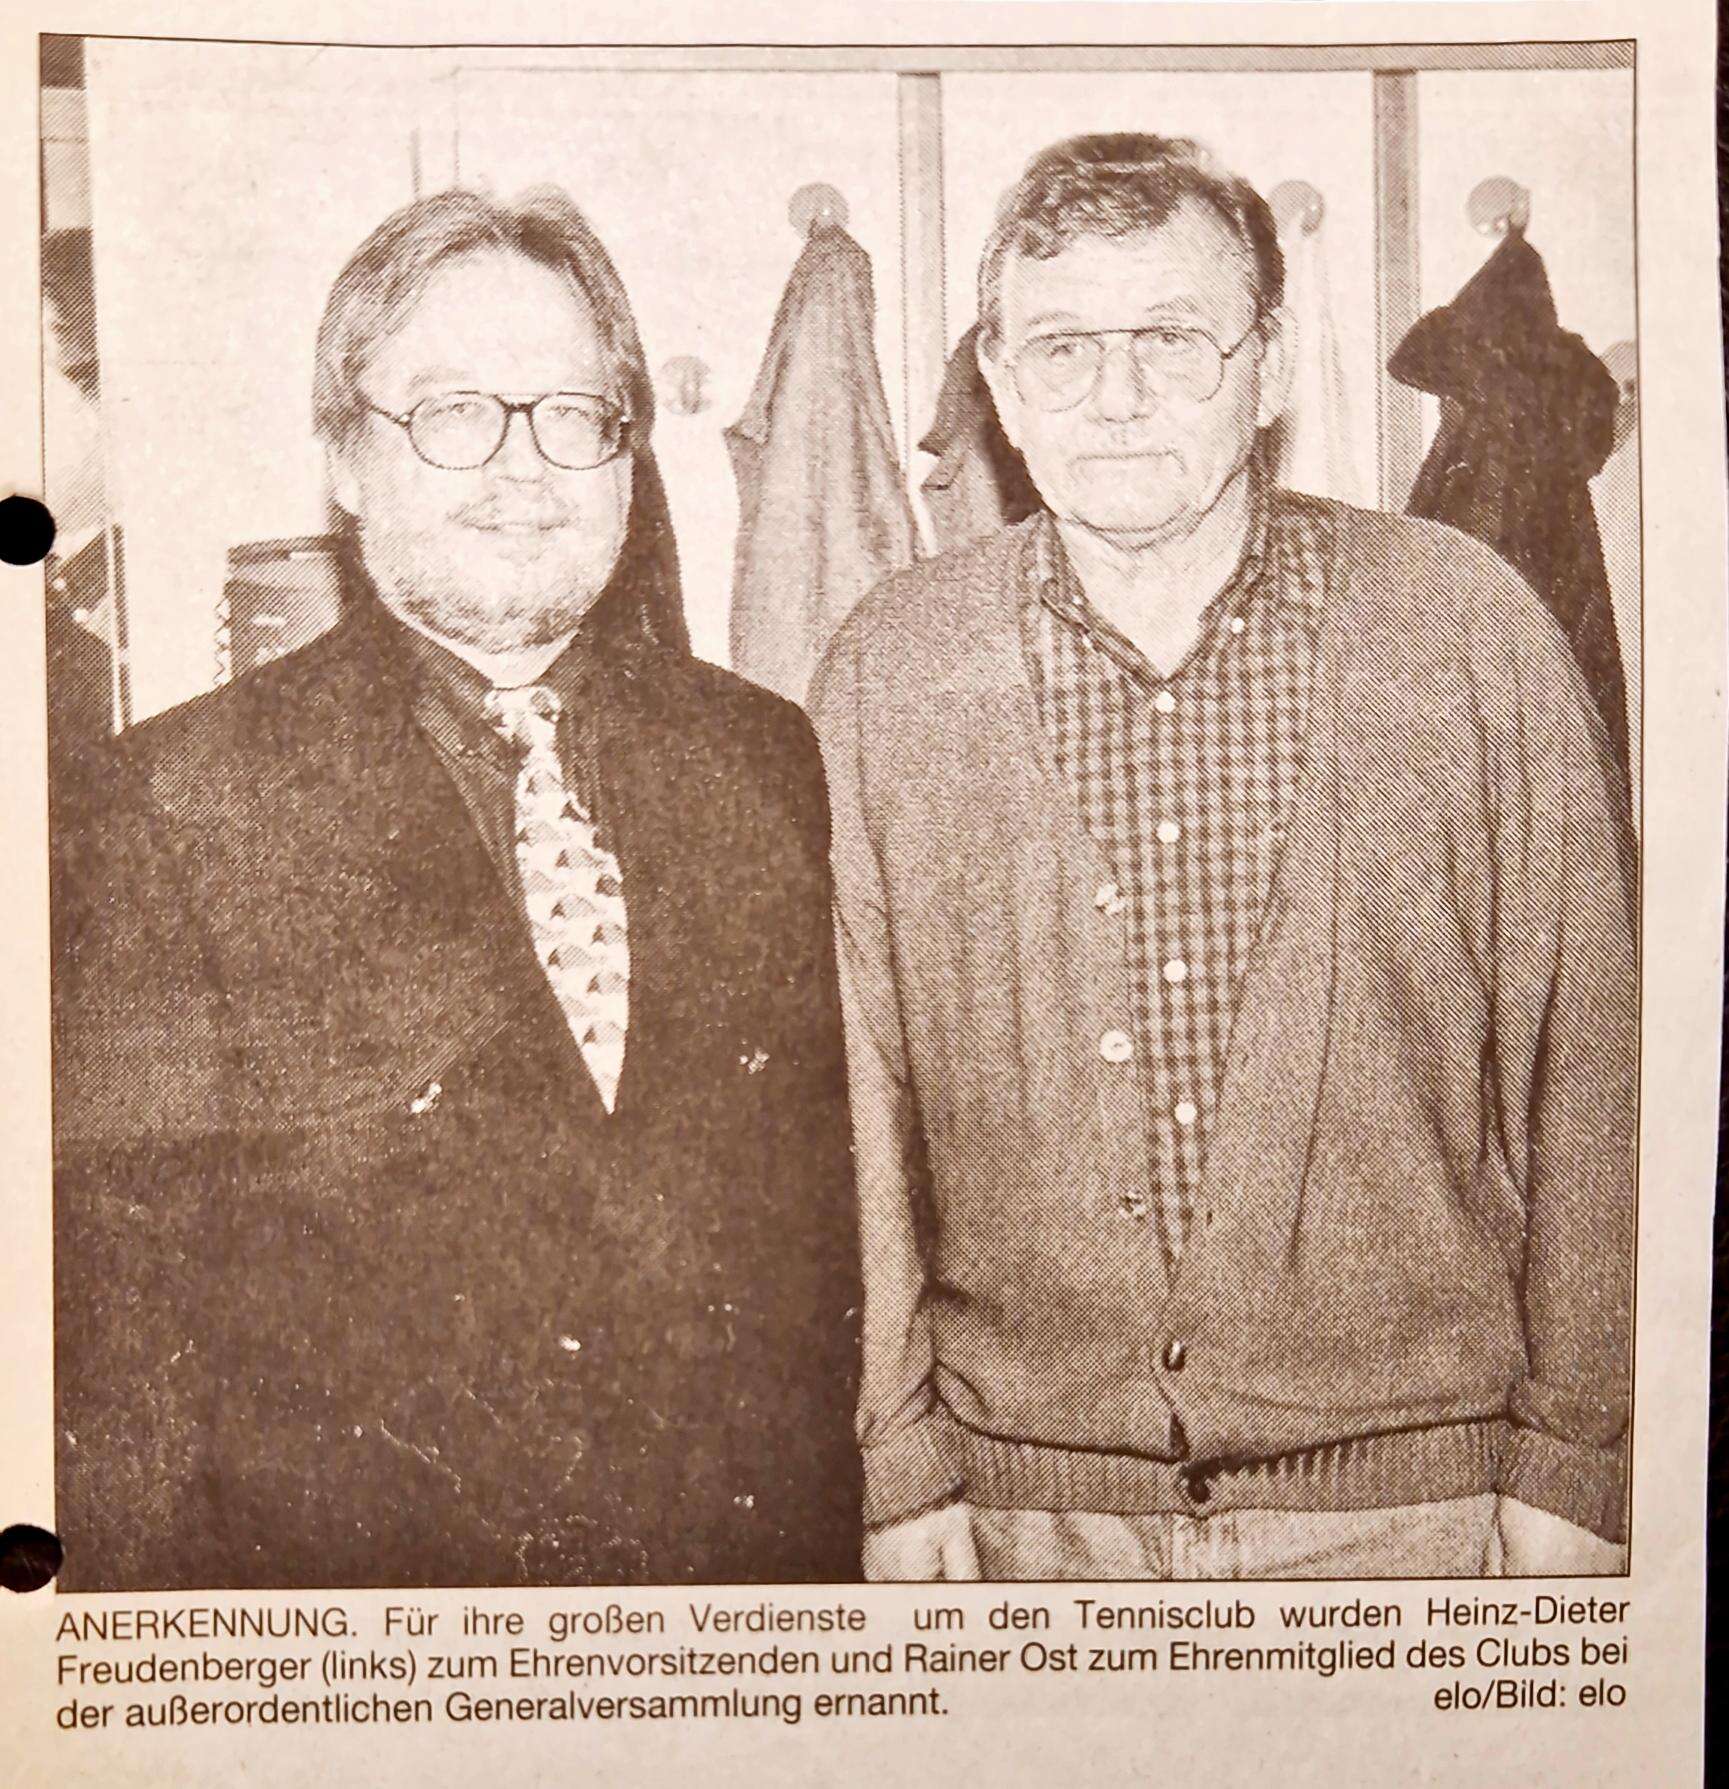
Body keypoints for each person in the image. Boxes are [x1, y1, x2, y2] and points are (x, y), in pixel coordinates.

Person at [808, 134, 1636, 1583]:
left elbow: (1593, 1065)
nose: (1115, 396)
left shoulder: (1465, 627)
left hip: (1421, 1518)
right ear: (997, 382)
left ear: (1266, 371)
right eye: (1062, 346)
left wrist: (1576, 1456)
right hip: (1022, 1527)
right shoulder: (893, 668)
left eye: (1174, 340)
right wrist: (895, 1458)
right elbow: (853, 1091)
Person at [52, 187, 862, 1590]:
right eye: (453, 413)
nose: (522, 467)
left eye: (572, 413)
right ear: (347, 457)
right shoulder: (167, 806)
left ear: (626, 456)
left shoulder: (761, 756)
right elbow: (120, 1349)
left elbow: (813, 1238)